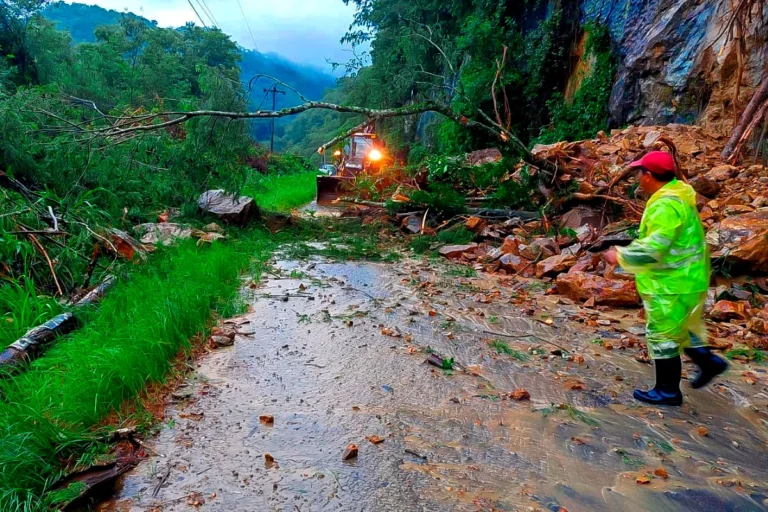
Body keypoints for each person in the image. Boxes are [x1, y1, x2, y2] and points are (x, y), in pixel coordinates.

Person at [604, 151, 727, 406]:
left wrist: (621, 256)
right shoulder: (679, 194)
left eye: (640, 173)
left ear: (649, 176)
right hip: (690, 277)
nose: (638, 177)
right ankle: (708, 361)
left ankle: (668, 390)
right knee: (681, 327)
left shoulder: (664, 205)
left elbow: (653, 249)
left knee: (662, 334)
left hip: (671, 281)